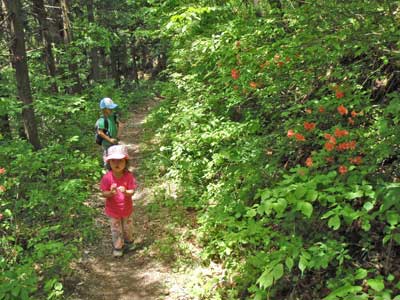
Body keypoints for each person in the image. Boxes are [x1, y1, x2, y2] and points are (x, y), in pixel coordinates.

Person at [100, 144, 137, 257]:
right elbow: (103, 193)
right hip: (113, 210)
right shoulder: (107, 177)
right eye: (113, 161)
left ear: (126, 162)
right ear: (109, 163)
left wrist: (126, 192)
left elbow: (132, 191)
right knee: (116, 229)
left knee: (127, 227)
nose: (117, 164)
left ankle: (129, 242)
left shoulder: (128, 176)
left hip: (126, 209)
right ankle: (118, 247)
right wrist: (110, 193)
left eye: (120, 161)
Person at [96, 97, 121, 161]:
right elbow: (100, 132)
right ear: (104, 109)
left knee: (115, 156)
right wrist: (109, 140)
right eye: (109, 108)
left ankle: (114, 169)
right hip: (107, 143)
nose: (111, 109)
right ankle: (108, 168)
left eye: (112, 108)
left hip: (114, 141)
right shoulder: (101, 120)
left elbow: (119, 124)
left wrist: (118, 134)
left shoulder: (113, 117)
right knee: (108, 157)